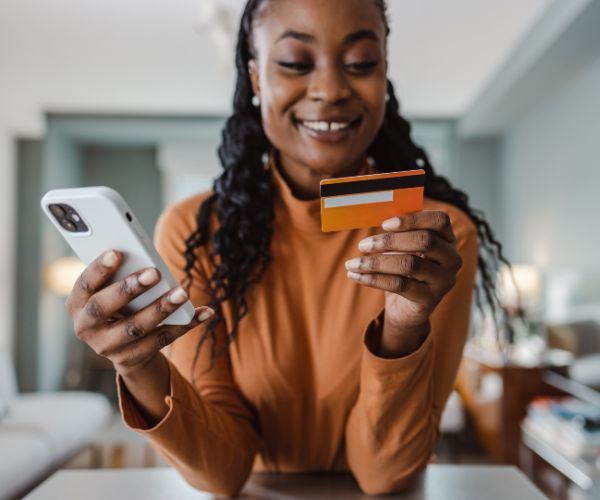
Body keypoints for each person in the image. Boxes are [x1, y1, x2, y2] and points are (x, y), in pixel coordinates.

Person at [66, 0, 508, 496]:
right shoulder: (194, 232)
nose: (331, 90)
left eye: (361, 63)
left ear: (385, 75)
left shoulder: (435, 238)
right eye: (296, 64)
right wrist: (137, 364)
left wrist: (404, 326)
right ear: (255, 78)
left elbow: (384, 474)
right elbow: (222, 471)